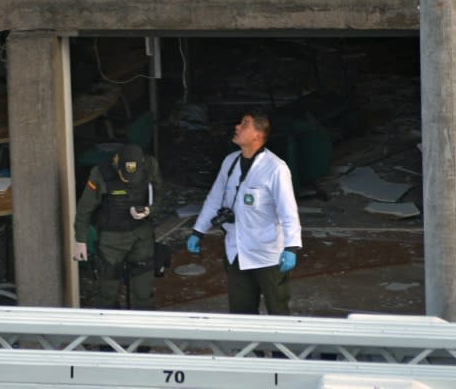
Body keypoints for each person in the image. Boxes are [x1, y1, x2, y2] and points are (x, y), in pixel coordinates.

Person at [187, 110, 301, 315]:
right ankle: (251, 348)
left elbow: (288, 211)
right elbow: (214, 198)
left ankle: (280, 348)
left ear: (258, 134)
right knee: (241, 312)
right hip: (236, 250)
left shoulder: (275, 168)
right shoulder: (230, 162)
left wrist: (291, 247)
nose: (237, 127)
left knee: (278, 310)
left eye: (244, 124)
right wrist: (198, 231)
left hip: (267, 255)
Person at [73, 143, 163, 310]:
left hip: (141, 236)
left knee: (143, 293)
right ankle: (110, 333)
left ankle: (142, 332)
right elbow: (84, 209)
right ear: (117, 163)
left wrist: (149, 211)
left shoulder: (151, 165)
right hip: (111, 240)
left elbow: (159, 196)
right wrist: (80, 240)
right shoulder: (100, 173)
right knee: (107, 294)